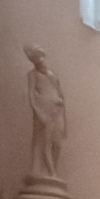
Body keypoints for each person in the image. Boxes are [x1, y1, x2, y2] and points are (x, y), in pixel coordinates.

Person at [25, 44, 66, 180]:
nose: (40, 61)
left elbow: (59, 92)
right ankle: (51, 173)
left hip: (57, 111)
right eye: (36, 59)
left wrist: (61, 104)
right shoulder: (32, 75)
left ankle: (53, 170)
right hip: (44, 111)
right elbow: (31, 96)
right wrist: (39, 113)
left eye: (41, 57)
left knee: (57, 144)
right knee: (45, 142)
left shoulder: (52, 74)